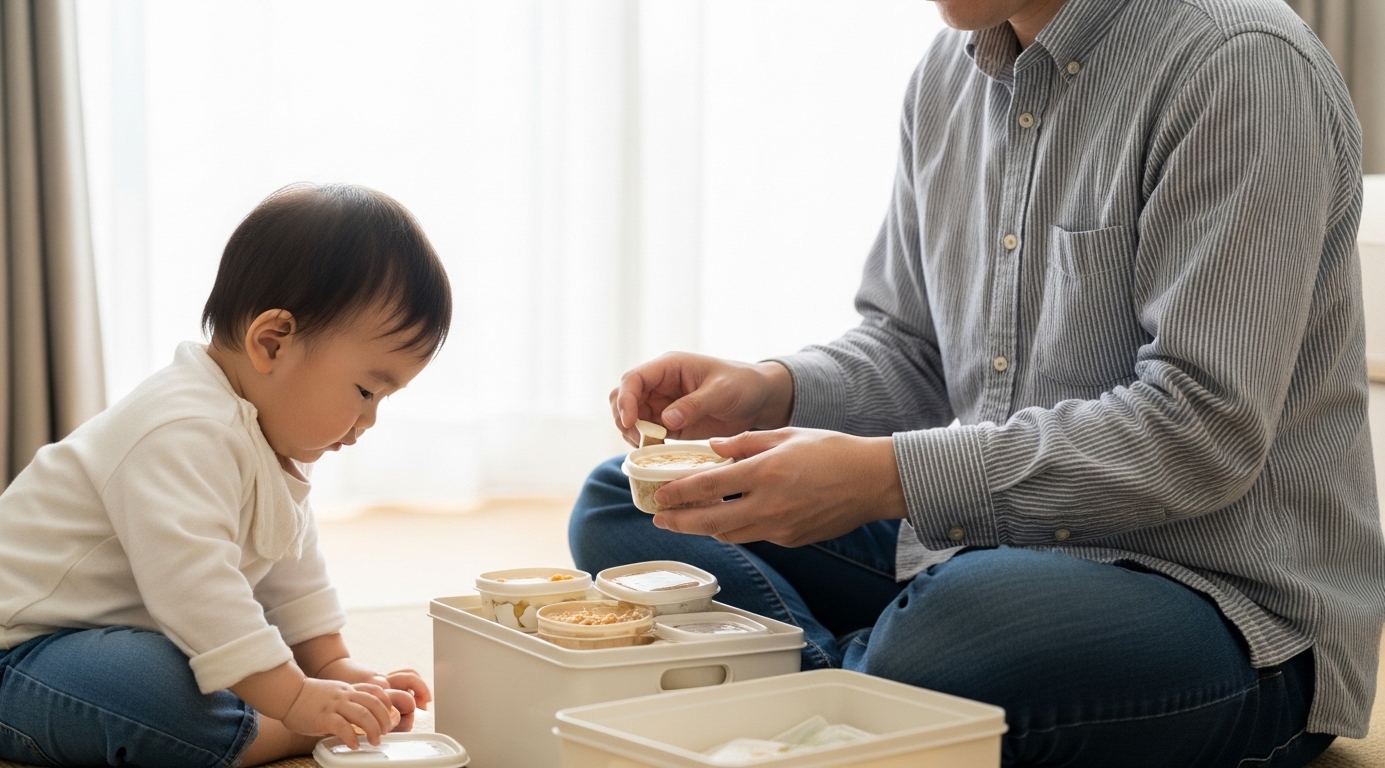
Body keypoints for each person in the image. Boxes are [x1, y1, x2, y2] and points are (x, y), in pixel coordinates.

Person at [570, 0, 1385, 765]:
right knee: (627, 501)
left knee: (960, 622)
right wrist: (774, 389)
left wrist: (887, 478)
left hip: (1222, 603)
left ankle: (841, 677)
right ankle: (853, 695)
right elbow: (912, 350)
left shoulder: (1239, 64)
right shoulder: (946, 76)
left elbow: (1197, 432)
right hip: (981, 554)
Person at [0, 184, 450, 766]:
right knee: (149, 685)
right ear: (272, 343)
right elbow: (197, 588)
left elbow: (289, 564)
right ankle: (280, 733)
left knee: (217, 659)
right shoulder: (180, 428)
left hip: (132, 632)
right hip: (13, 660)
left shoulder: (267, 435)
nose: (370, 419)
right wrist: (301, 701)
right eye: (365, 390)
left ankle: (261, 713)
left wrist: (331, 666)